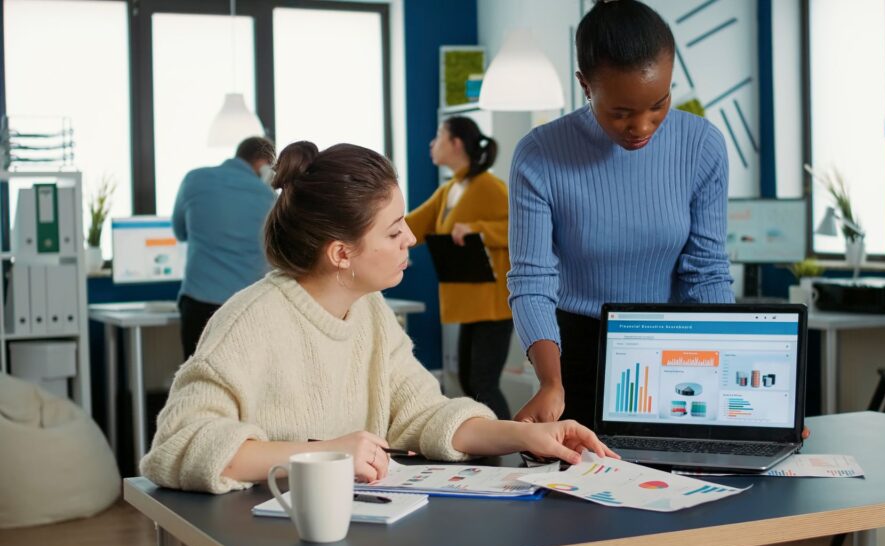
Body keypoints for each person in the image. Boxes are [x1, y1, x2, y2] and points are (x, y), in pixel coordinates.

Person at [142, 140, 615, 493]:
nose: (410, 238)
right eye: (393, 232)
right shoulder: (248, 322)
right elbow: (178, 444)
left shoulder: (370, 312)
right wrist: (324, 456)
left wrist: (526, 435)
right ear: (341, 253)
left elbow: (424, 413)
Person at [508, 0, 734, 430]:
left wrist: (734, 386)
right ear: (586, 86)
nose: (643, 126)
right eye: (622, 113)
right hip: (576, 354)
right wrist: (550, 383)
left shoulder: (702, 145)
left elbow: (706, 274)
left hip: (677, 350)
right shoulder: (539, 155)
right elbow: (532, 281)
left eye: (659, 104)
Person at [406, 117, 514, 418]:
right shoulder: (451, 189)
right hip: (472, 306)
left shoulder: (489, 187)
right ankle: (491, 451)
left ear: (455, 144)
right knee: (469, 382)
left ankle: (513, 446)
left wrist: (477, 228)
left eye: (438, 135)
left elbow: (522, 228)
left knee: (482, 383)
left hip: (493, 308)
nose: (432, 143)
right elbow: (412, 226)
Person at [171, 136, 278, 360]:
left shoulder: (194, 180)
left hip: (197, 304)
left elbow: (180, 232)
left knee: (196, 381)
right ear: (264, 165)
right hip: (249, 307)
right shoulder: (269, 198)